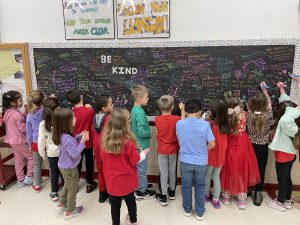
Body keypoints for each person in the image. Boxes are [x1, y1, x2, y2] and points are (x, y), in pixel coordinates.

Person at [101, 109, 150, 225]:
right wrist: (144, 153)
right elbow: (135, 160)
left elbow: (103, 160)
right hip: (127, 181)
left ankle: (116, 223)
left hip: (112, 182)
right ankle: (133, 221)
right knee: (131, 201)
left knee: (115, 205)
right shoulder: (128, 142)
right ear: (125, 124)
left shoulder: (104, 142)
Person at [176, 99, 215, 221]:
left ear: (186, 111)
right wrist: (204, 149)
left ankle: (187, 209)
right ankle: (199, 212)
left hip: (185, 161)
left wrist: (182, 112)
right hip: (201, 162)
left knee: (186, 186)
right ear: (200, 111)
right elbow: (212, 144)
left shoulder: (179, 124)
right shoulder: (205, 125)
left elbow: (182, 129)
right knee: (200, 186)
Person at [221, 97, 260, 210]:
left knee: (228, 169)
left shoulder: (225, 116)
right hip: (243, 142)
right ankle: (242, 200)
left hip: (229, 142)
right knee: (241, 170)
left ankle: (226, 197)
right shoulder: (244, 114)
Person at [267, 78, 300, 211]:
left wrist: (293, 110)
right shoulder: (292, 122)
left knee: (282, 180)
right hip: (289, 154)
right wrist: (281, 89)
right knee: (287, 178)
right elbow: (285, 103)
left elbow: (286, 113)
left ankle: (280, 203)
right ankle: (287, 200)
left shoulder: (287, 124)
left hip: (283, 155)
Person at [53, 108, 89, 220]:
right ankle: (70, 211)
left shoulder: (62, 134)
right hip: (69, 168)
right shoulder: (67, 138)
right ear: (66, 122)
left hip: (64, 166)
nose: (75, 118)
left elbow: (71, 141)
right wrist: (83, 141)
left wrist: (79, 136)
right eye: (73, 117)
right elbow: (75, 153)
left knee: (67, 185)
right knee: (72, 188)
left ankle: (62, 203)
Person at [246, 82, 273, 206]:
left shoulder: (249, 115)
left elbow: (251, 107)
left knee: (249, 168)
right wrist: (265, 91)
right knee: (260, 170)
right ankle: (258, 192)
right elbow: (269, 105)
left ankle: (248, 188)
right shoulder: (268, 115)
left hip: (250, 146)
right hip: (263, 147)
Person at [155, 95, 184, 206]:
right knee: (172, 171)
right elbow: (183, 121)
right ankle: (172, 192)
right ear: (172, 107)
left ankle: (163, 195)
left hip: (162, 150)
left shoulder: (157, 120)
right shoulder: (176, 119)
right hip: (173, 150)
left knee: (163, 173)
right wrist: (182, 110)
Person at [66, 90, 97, 193]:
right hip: (88, 142)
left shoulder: (70, 113)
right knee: (89, 163)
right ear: (81, 97)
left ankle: (75, 185)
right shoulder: (90, 111)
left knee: (76, 164)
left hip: (75, 143)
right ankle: (89, 183)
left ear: (70, 102)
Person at [2, 91, 34, 187]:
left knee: (19, 160)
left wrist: (24, 113)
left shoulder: (8, 112)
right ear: (12, 103)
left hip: (12, 141)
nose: (22, 101)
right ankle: (29, 176)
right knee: (31, 157)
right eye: (20, 100)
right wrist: (31, 125)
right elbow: (22, 128)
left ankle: (20, 180)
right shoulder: (17, 114)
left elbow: (16, 121)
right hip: (19, 140)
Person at [130, 85, 156, 199]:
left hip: (137, 144)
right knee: (142, 169)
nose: (148, 99)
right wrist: (150, 133)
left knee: (139, 168)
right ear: (139, 99)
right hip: (141, 145)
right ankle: (142, 191)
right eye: (146, 97)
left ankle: (141, 184)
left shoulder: (134, 109)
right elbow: (141, 131)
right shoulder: (140, 112)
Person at [205, 99, 230, 209]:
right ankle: (216, 199)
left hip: (211, 154)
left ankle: (206, 195)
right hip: (220, 155)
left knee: (207, 176)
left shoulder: (210, 124)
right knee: (216, 176)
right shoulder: (225, 124)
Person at [38, 97, 62, 201]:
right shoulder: (62, 120)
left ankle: (54, 192)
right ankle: (67, 189)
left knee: (54, 172)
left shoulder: (43, 124)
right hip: (63, 151)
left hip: (52, 153)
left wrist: (42, 154)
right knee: (64, 171)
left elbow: (41, 140)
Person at [92, 94, 113, 203]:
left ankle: (102, 195)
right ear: (104, 108)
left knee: (101, 173)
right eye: (111, 104)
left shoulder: (94, 118)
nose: (113, 105)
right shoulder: (109, 118)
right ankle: (111, 194)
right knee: (110, 173)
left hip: (97, 151)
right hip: (107, 151)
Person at [26, 90, 45, 192]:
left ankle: (37, 185)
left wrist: (29, 145)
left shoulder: (29, 116)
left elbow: (29, 134)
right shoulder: (46, 111)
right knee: (52, 162)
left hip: (35, 142)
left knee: (37, 164)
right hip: (47, 141)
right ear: (43, 101)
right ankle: (57, 182)